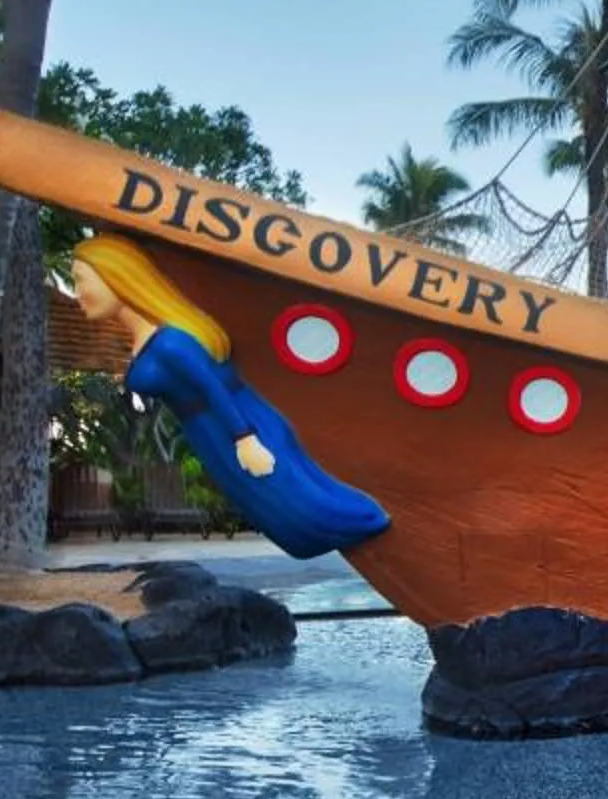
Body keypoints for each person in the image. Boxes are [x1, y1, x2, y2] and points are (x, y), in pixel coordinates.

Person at [68, 235, 389, 558]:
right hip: (210, 431)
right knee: (274, 508)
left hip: (236, 423)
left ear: (115, 277)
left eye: (81, 281)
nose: (78, 293)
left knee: (299, 502)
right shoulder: (152, 340)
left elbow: (212, 387)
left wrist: (246, 440)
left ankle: (373, 523)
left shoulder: (170, 342)